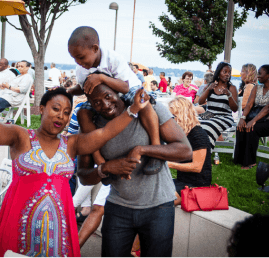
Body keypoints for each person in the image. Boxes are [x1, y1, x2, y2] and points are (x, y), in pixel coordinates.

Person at [0, 57, 150, 257]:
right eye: (55, 109)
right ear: (41, 109)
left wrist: (133, 109)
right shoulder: (20, 136)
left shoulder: (72, 144)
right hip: (19, 229)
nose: (61, 116)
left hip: (58, 234)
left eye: (66, 112)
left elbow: (105, 133)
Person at [77, 82, 192, 257]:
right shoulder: (92, 125)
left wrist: (143, 149)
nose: (105, 105)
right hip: (118, 208)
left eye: (108, 96)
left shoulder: (148, 109)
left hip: (158, 207)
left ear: (117, 92)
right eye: (96, 102)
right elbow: (84, 176)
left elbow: (185, 151)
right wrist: (106, 168)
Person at [67, 26, 163, 175]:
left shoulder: (113, 58)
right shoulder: (81, 69)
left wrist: (102, 77)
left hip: (127, 88)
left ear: (94, 48)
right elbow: (83, 87)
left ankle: (156, 148)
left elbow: (124, 87)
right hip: (100, 97)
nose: (78, 62)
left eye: (80, 57)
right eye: (74, 58)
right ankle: (99, 160)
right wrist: (68, 91)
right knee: (82, 113)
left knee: (144, 102)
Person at [234, 65, 269, 169]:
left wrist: (253, 121)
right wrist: (243, 118)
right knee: (241, 127)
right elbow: (249, 104)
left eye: (260, 74)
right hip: (258, 119)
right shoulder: (257, 87)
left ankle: (249, 162)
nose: (257, 76)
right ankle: (239, 159)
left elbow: (268, 107)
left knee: (253, 128)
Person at [167, 97, 212, 206]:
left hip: (197, 184)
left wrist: (169, 164)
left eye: (174, 117)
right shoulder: (183, 134)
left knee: (164, 202)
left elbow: (197, 167)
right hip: (182, 180)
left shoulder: (198, 134)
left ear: (183, 115)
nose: (171, 120)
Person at [198, 62, 238, 148]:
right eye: (225, 71)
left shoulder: (232, 88)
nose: (227, 74)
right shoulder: (211, 86)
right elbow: (200, 102)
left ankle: (205, 152)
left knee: (207, 126)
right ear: (218, 72)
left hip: (224, 116)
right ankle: (193, 149)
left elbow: (235, 108)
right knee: (193, 123)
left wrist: (229, 95)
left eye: (229, 72)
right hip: (209, 114)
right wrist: (209, 89)